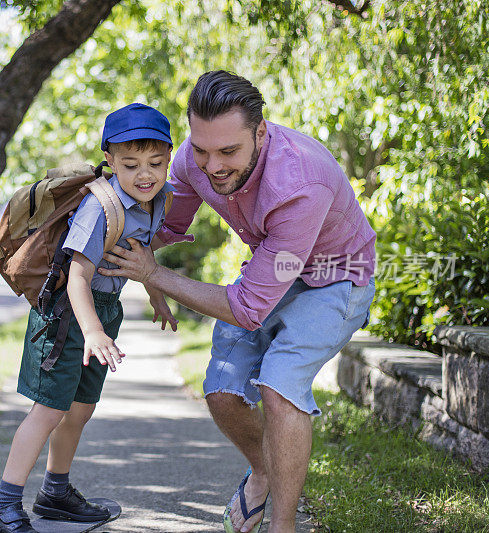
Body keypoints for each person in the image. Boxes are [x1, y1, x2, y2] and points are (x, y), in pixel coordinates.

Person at [99, 71, 376, 533]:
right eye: (203, 149)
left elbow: (248, 308)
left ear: (260, 132)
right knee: (222, 391)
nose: (213, 165)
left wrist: (155, 275)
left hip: (334, 278)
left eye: (229, 151)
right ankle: (264, 470)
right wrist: (110, 236)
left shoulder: (300, 184)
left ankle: (282, 523)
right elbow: (165, 230)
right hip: (278, 267)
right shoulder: (192, 160)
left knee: (280, 382)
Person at [0, 103, 176, 533]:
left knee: (81, 409)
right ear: (109, 159)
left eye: (155, 164)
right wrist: (91, 330)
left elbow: (144, 256)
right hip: (67, 316)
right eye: (130, 164)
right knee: (48, 410)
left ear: (168, 158)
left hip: (102, 313)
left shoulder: (155, 200)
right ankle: (3, 504)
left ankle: (55, 492)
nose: (145, 174)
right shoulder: (99, 208)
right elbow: (77, 280)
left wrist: (156, 296)